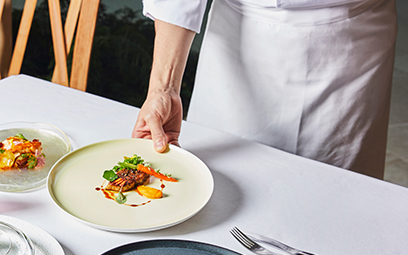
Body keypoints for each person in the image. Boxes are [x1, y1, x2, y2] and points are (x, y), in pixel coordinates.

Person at [131, 0, 397, 179]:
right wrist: (163, 88)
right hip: (239, 36)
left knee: (337, 198)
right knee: (222, 188)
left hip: (352, 38)